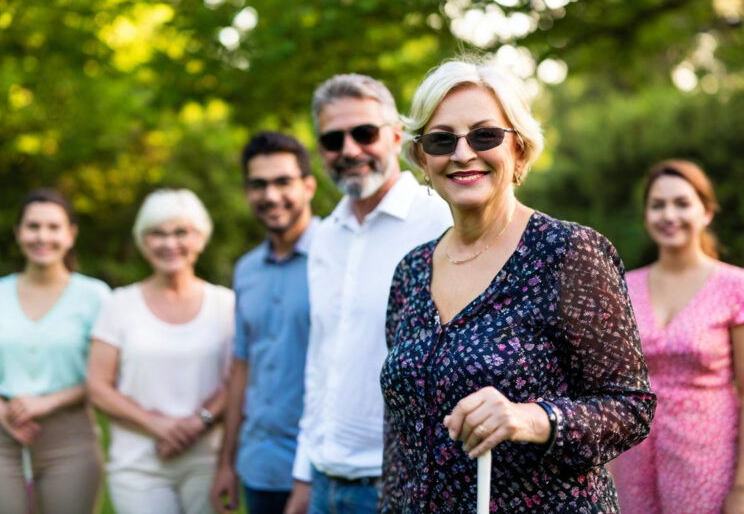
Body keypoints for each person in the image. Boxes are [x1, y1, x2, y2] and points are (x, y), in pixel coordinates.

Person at [380, 58, 657, 513]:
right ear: (422, 159)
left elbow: (631, 408)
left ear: (520, 150)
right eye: (441, 139)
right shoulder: (410, 272)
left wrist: (533, 417)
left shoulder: (568, 252)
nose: (463, 153)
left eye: (485, 135)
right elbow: (400, 434)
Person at [290, 73, 452, 514]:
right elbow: (320, 359)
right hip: (324, 480)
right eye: (332, 139)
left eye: (364, 133)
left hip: (399, 482)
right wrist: (305, 472)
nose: (349, 150)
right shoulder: (324, 236)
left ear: (396, 135)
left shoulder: (439, 223)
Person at [87, 189, 234, 514]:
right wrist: (157, 425)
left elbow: (237, 379)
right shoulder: (119, 305)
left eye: (181, 232)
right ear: (143, 240)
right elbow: (98, 387)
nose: (170, 243)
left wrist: (199, 422)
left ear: (200, 237)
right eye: (157, 233)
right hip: (138, 465)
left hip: (207, 461)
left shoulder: (226, 304)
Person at [610, 160, 744, 514]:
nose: (669, 214)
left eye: (682, 203)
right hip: (632, 460)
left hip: (708, 460)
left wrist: (742, 489)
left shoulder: (735, 287)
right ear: (646, 216)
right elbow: (608, 385)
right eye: (658, 205)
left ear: (707, 212)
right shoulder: (624, 288)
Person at [0, 188, 109, 514]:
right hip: (5, 440)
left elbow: (104, 378)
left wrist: (47, 402)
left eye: (53, 227)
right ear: (18, 233)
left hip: (72, 441)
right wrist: (4, 415)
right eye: (33, 226)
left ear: (71, 234)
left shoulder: (96, 297)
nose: (42, 237)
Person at [210, 132, 318, 514]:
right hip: (259, 466)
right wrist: (227, 462)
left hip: (321, 469)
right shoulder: (246, 270)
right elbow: (242, 368)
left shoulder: (337, 257)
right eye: (259, 185)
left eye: (283, 182)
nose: (271, 196)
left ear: (308, 186)